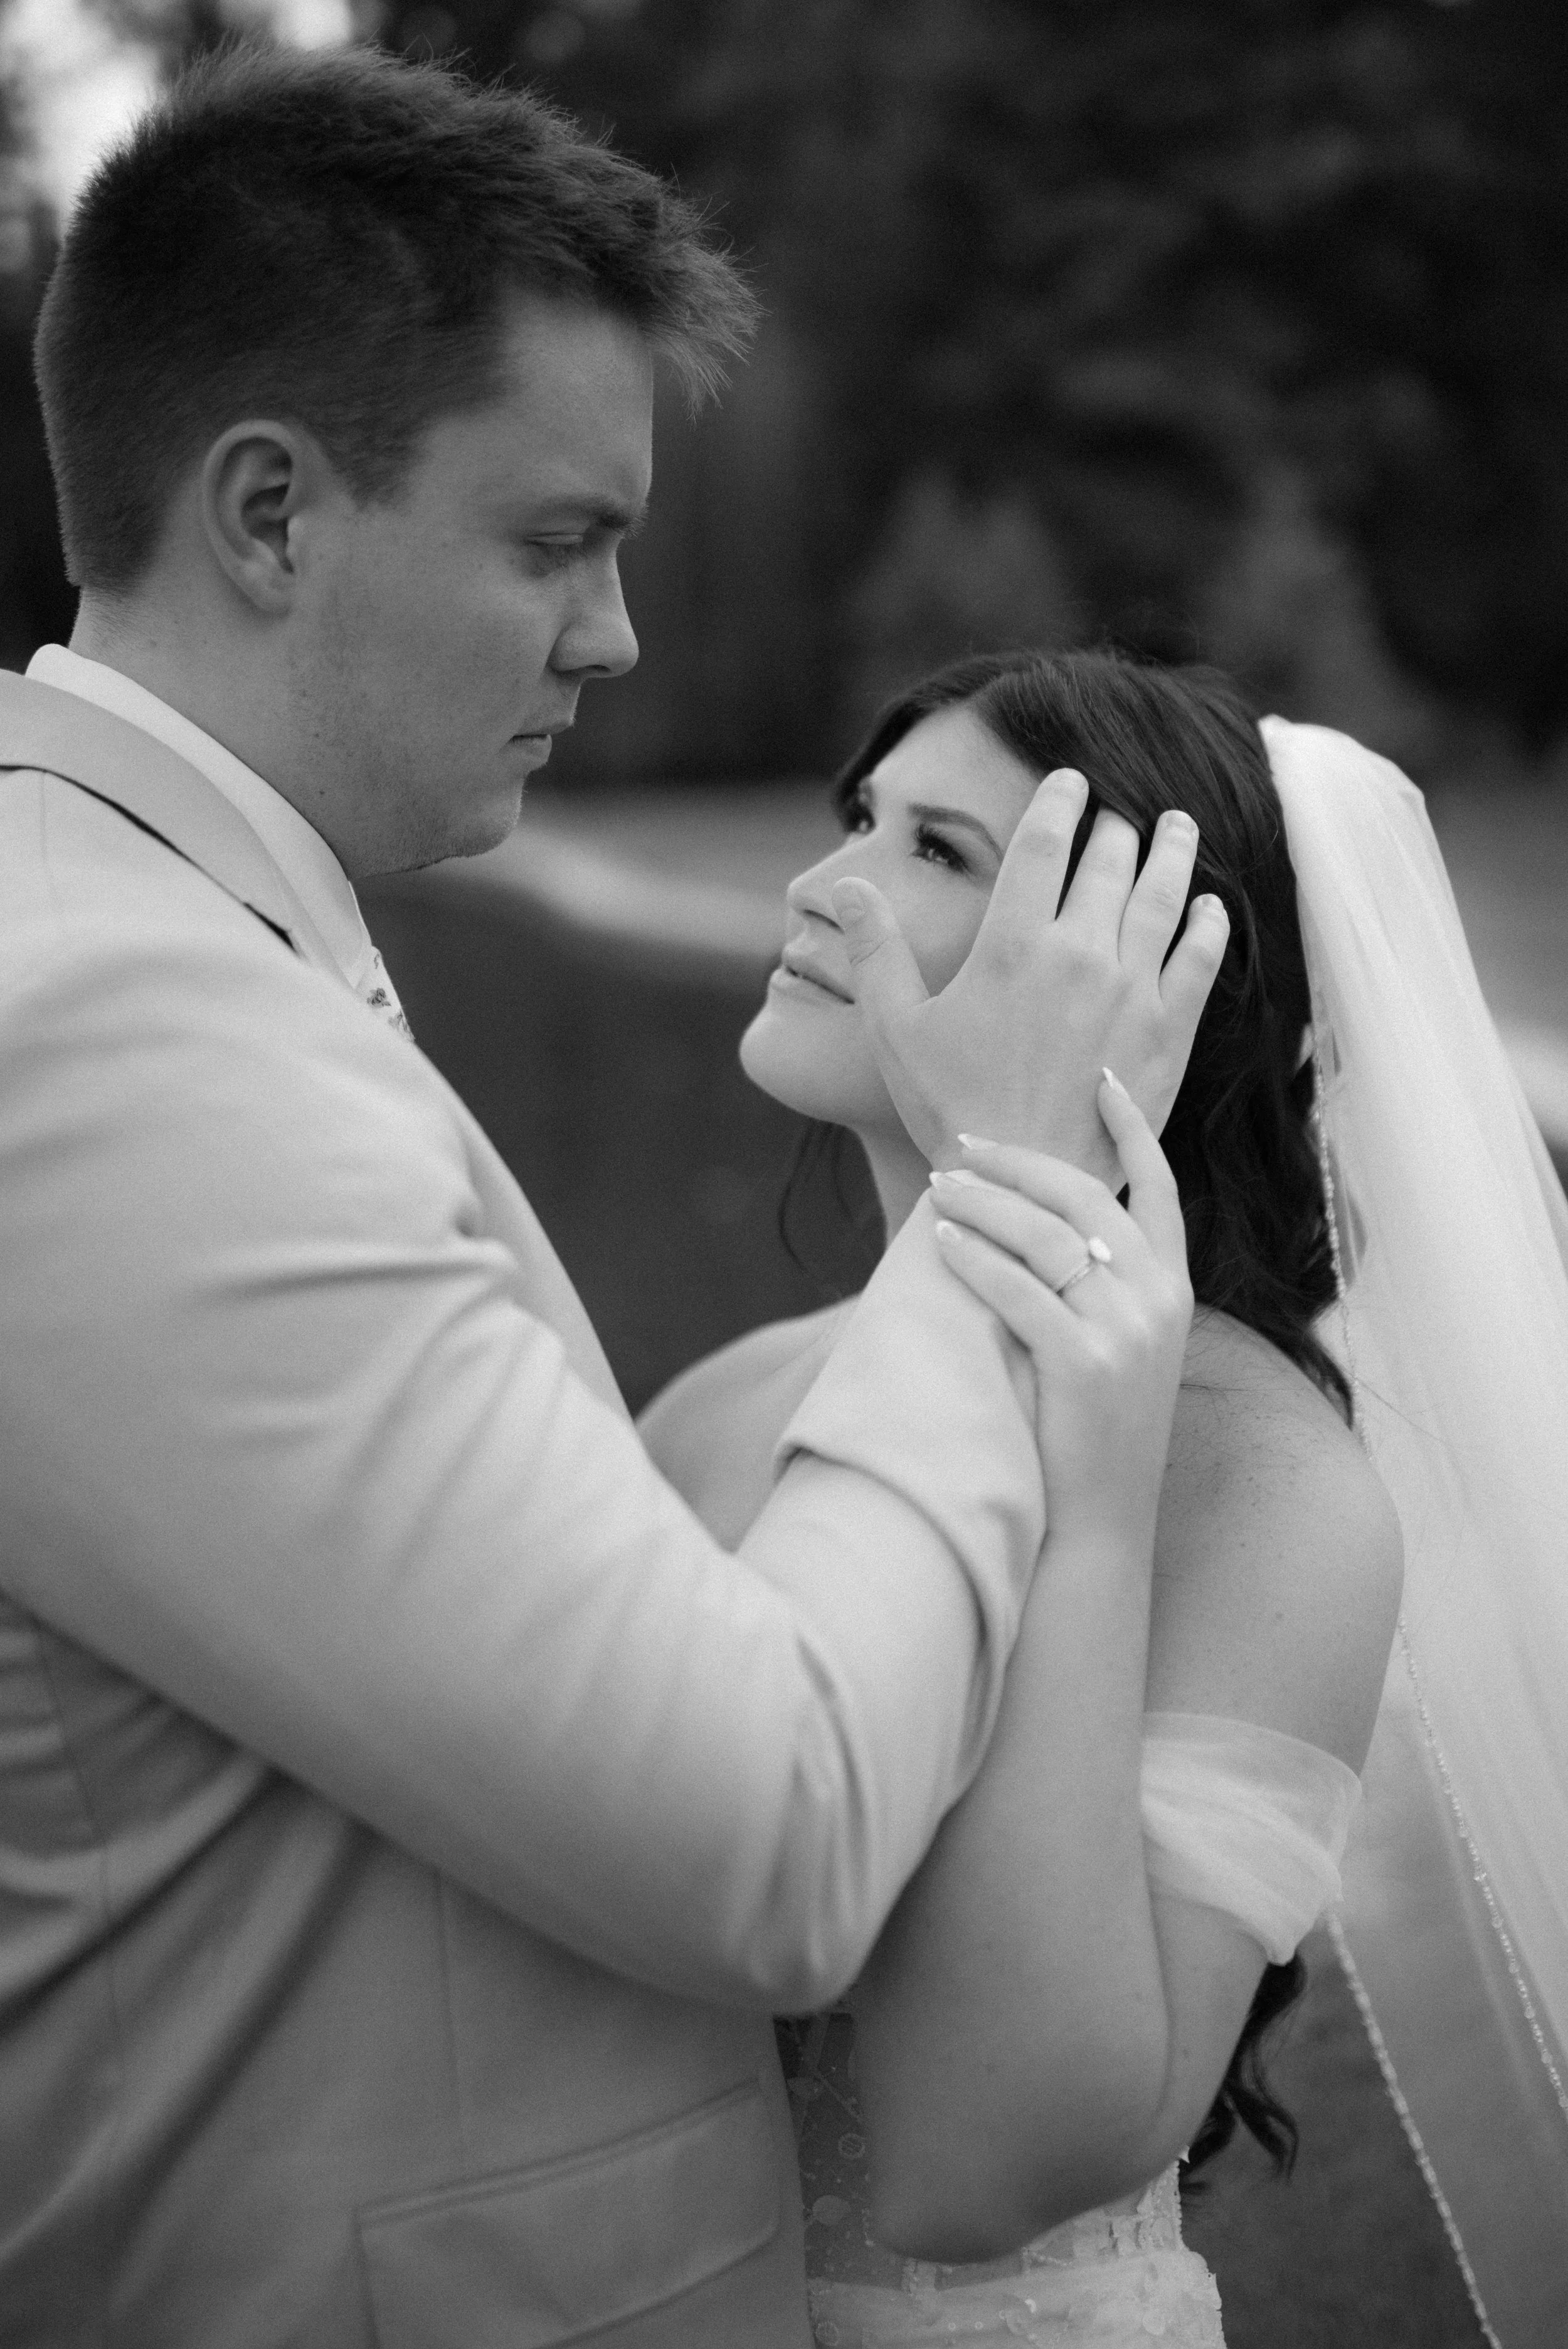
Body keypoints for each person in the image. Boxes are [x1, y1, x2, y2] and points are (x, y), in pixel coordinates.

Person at [0, 45, 1236, 2349]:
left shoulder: (159, 945)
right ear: (268, 513)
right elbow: (762, 1832)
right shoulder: (103, 1035)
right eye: (554, 540)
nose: (620, 635)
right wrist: (1004, 1191)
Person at [641, 644, 1568, 2345]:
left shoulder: (1262, 1483)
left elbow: (969, 2169)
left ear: (1148, 976)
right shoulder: (722, 1408)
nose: (817, 886)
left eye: (937, 854)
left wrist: (1091, 1499)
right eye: (863, 816)